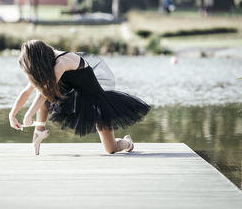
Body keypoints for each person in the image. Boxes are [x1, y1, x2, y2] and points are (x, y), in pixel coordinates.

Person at [9, 40, 151, 155]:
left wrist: (29, 113)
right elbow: (27, 91)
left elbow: (45, 92)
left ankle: (127, 143)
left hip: (95, 103)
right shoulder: (47, 63)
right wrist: (12, 114)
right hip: (72, 101)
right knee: (41, 89)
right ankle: (39, 131)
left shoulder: (62, 62)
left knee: (111, 149)